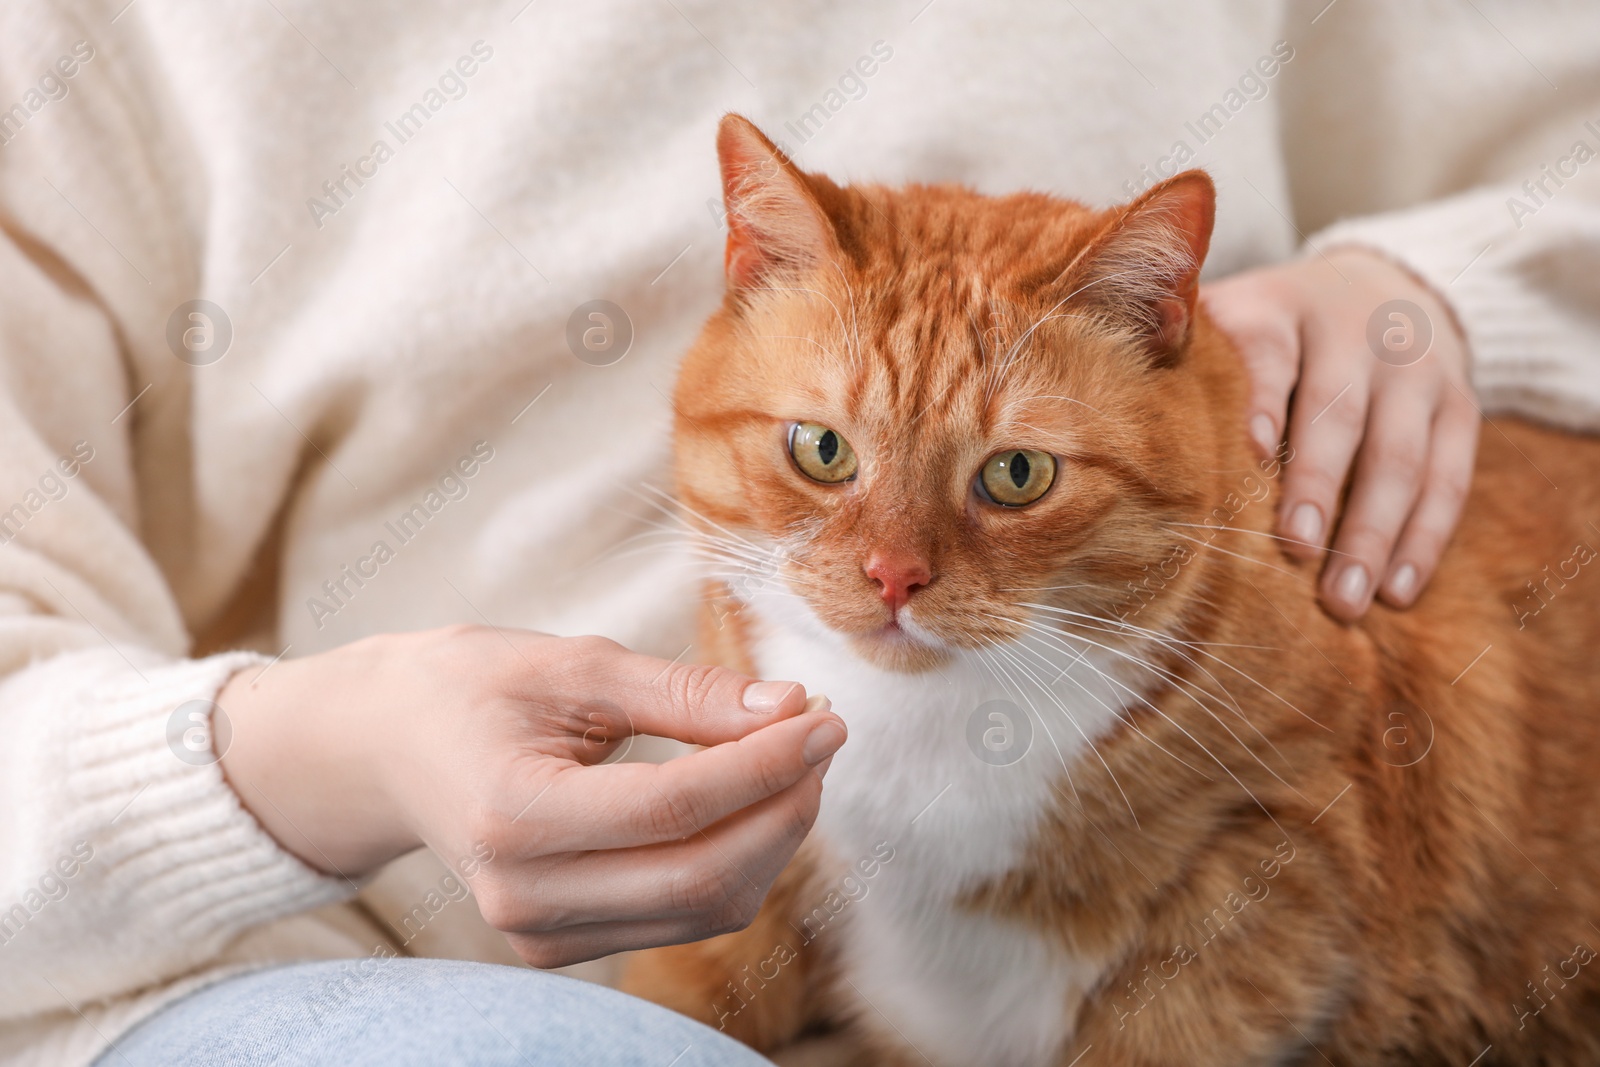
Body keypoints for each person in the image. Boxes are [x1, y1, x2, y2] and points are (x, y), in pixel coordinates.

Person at [0, 1, 1595, 1064]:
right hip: (340, 965)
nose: (890, 568)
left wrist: (1435, 286)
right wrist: (315, 755)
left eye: (1005, 484)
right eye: (823, 460)